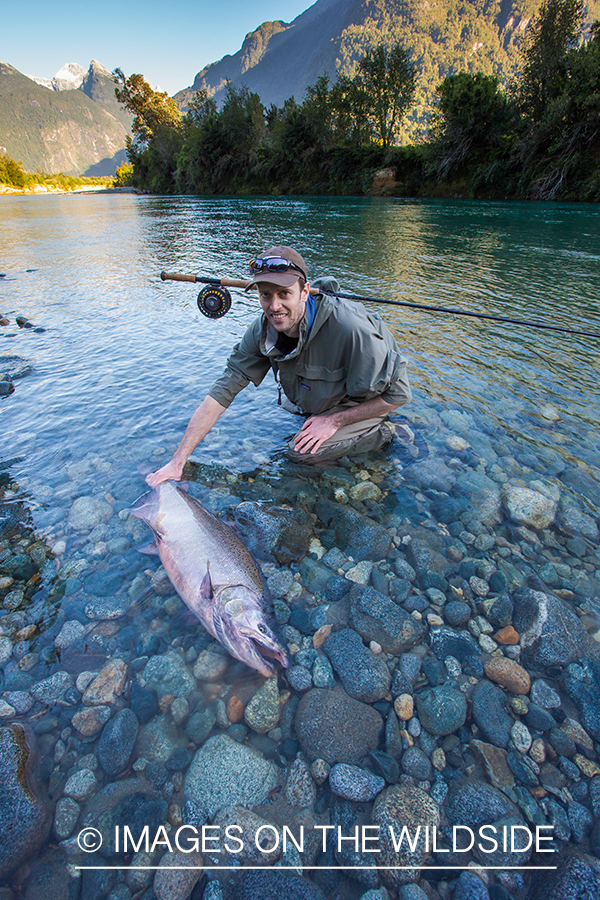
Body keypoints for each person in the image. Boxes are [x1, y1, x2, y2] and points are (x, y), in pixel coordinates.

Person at [146, 245, 411, 487]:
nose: (274, 306)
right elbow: (222, 392)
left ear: (304, 292)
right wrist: (177, 462)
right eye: (266, 295)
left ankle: (387, 431)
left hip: (366, 402)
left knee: (301, 454)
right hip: (325, 401)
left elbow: (399, 394)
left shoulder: (350, 330)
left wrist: (333, 422)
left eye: (284, 294)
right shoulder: (263, 330)